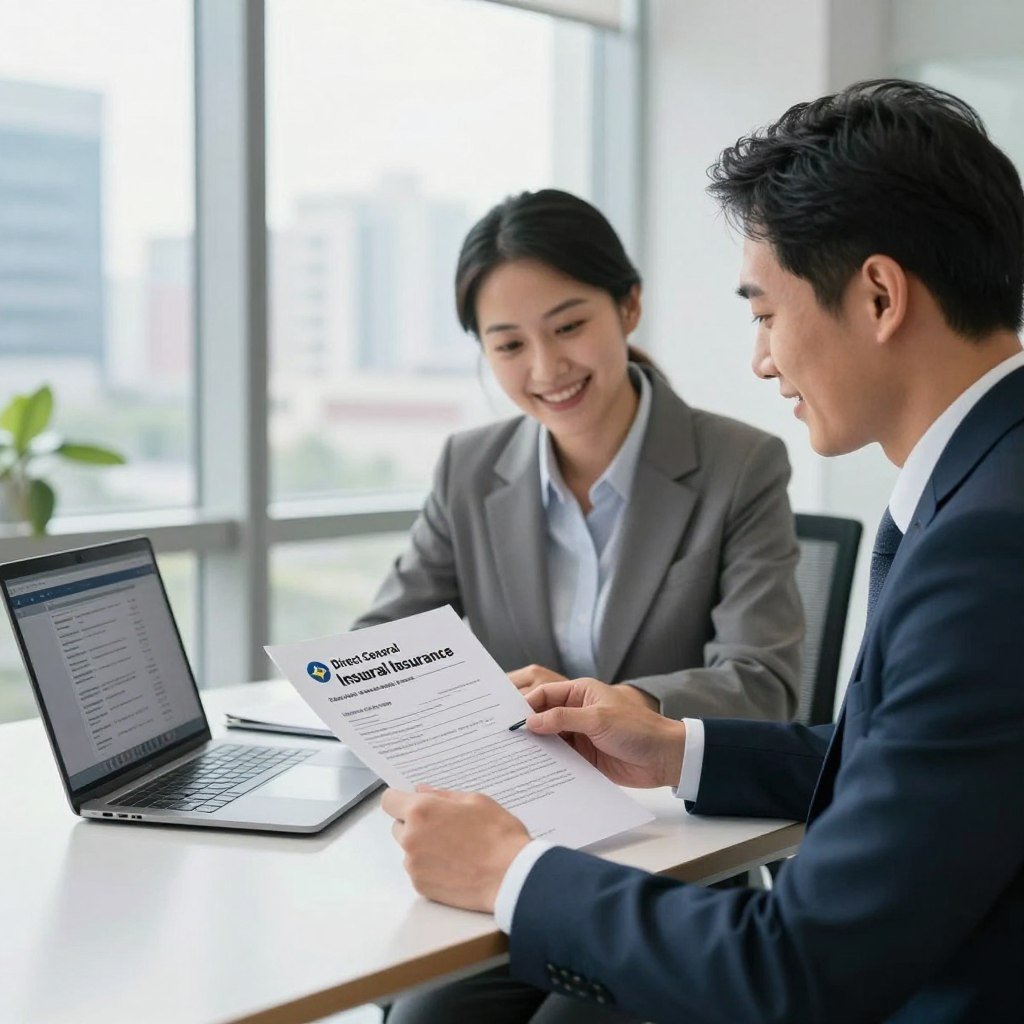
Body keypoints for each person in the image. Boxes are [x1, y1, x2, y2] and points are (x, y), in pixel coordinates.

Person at [381, 79, 1024, 1024]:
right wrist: (675, 746)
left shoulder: (988, 545)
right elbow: (918, 765)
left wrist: (507, 870)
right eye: (507, 343)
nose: (762, 359)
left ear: (880, 295)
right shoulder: (986, 482)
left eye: (765, 313)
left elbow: (797, 973)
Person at [354, 189, 803, 725]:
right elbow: (375, 658)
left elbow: (762, 685)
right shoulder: (468, 468)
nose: (546, 370)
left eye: (568, 327)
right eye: (510, 346)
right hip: (514, 787)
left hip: (666, 796)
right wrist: (475, 698)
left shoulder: (740, 464)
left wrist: (614, 707)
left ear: (628, 306)